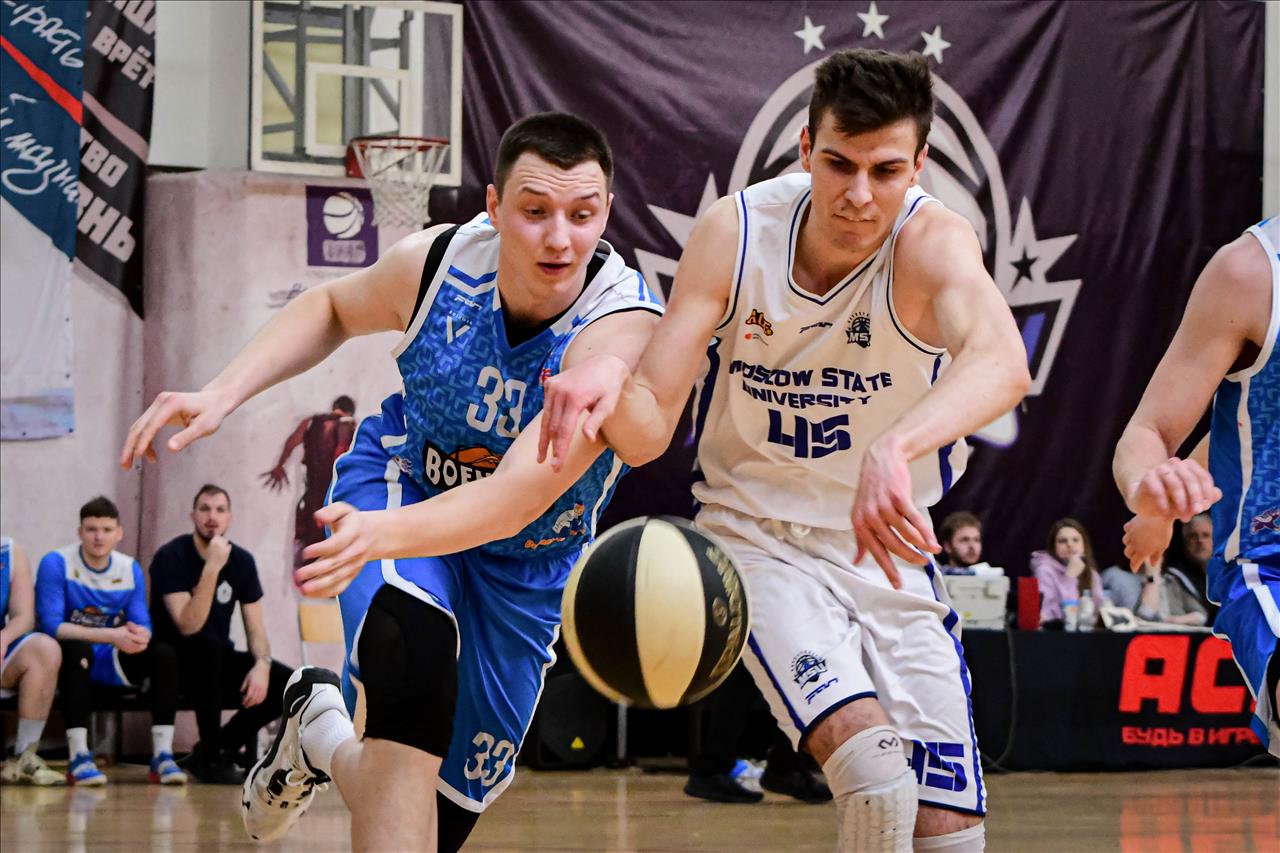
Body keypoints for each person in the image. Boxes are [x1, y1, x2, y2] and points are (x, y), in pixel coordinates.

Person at [119, 112, 662, 851]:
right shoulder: (439, 264)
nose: (559, 238)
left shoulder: (618, 326)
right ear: (494, 206)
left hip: (525, 562)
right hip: (404, 486)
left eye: (582, 214)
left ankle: (318, 731)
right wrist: (222, 392)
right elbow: (333, 306)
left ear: (607, 212)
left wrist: (388, 534)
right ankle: (339, 716)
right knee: (414, 677)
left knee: (433, 820)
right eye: (535, 211)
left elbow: (510, 501)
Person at [540, 49, 1029, 852]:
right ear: (805, 149)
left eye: (885, 170)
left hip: (886, 549)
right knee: (874, 773)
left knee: (950, 830)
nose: (859, 193)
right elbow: (651, 423)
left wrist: (896, 446)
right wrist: (607, 385)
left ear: (919, 167)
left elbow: (1004, 364)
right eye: (839, 163)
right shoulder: (735, 233)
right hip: (755, 536)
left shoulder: (934, 241)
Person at [1114, 215, 1278, 757]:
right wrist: (1154, 495)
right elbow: (1150, 431)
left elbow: (1245, 429)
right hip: (1270, 561)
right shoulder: (1250, 273)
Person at [36, 497, 186, 786]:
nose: (99, 537)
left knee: (163, 654)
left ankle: (163, 756)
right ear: (80, 532)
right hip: (70, 658)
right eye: (91, 529)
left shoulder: (129, 568)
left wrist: (139, 636)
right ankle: (79, 757)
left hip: (112, 657)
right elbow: (51, 626)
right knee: (76, 650)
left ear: (119, 533)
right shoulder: (56, 563)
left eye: (106, 530)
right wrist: (111, 635)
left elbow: (143, 624)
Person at [149, 484, 292, 783]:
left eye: (219, 510)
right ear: (192, 515)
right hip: (173, 662)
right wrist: (212, 567)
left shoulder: (242, 561)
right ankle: (212, 758)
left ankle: (215, 749)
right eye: (204, 509)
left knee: (287, 683)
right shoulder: (171, 556)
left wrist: (262, 664)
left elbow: (255, 628)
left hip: (216, 660)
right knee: (207, 646)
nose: (212, 517)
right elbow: (188, 626)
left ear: (230, 517)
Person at [262, 396, 357, 566]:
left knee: (308, 553)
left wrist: (280, 465)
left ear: (334, 407)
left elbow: (291, 443)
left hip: (311, 500)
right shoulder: (352, 428)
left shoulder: (311, 422)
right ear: (350, 412)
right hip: (338, 502)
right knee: (334, 554)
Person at [0, 536, 64, 786]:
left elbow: (23, 617)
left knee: (44, 649)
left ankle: (23, 757)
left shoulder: (9, 551)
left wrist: (4, 638)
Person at [1030, 518, 1105, 629]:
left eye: (1075, 540)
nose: (1070, 544)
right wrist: (1069, 578)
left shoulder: (1091, 573)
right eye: (1062, 541)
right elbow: (1049, 614)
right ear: (1053, 546)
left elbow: (1096, 612)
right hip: (1056, 633)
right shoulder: (1044, 570)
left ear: (1084, 544)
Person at [1100, 554, 1207, 627]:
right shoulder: (1115, 576)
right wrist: (1152, 577)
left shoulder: (1172, 578)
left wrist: (1175, 621)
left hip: (1175, 640)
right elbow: (1147, 613)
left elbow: (1201, 617)